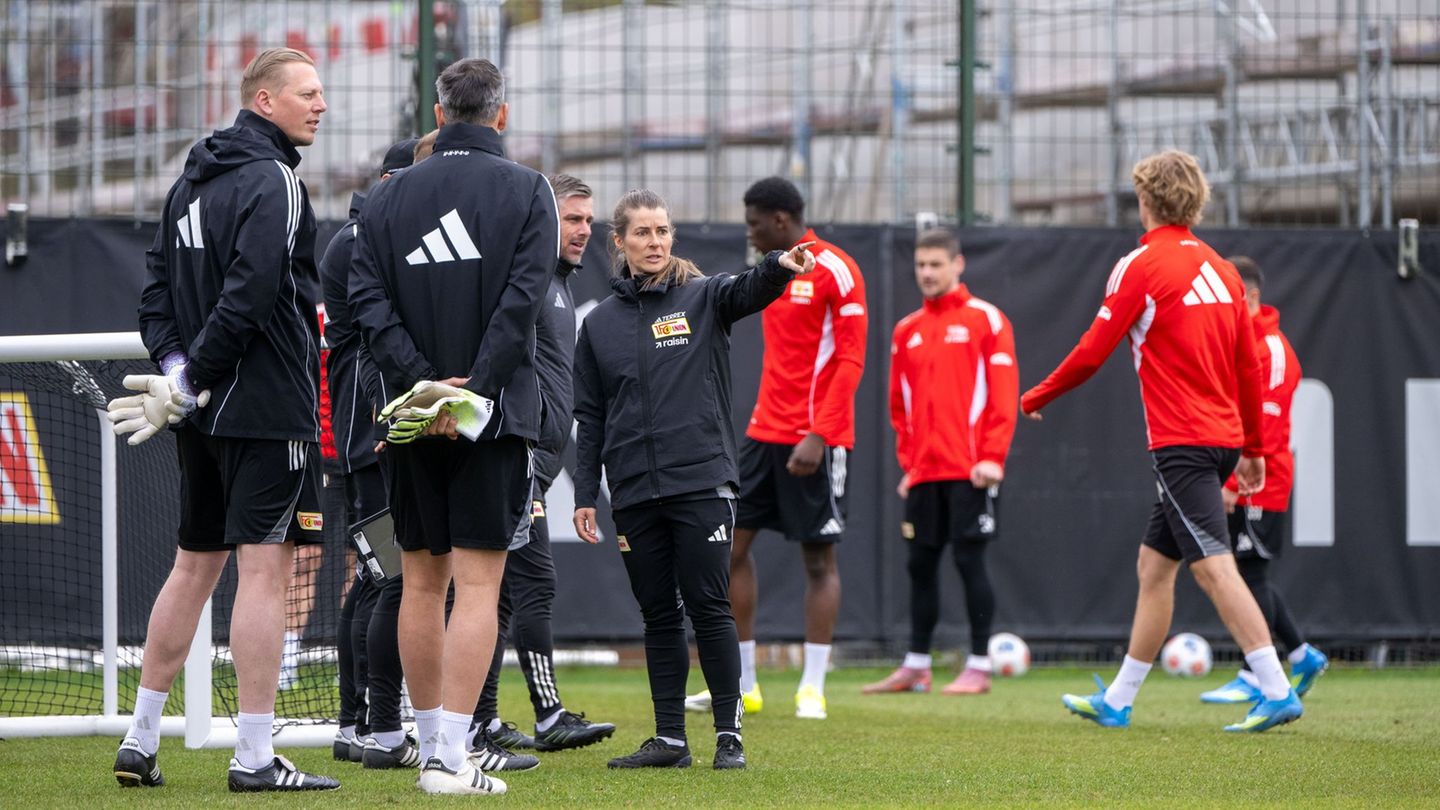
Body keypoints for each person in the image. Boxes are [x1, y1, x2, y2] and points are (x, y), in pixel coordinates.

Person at [111, 47, 340, 791]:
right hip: (267, 408)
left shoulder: (189, 183)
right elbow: (250, 295)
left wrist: (180, 378)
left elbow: (156, 300)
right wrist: (195, 377)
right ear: (264, 101)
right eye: (307, 93)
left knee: (193, 566)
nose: (321, 104)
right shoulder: (271, 179)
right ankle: (252, 756)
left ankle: (139, 742)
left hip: (202, 415)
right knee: (263, 575)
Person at [1021, 149, 1303, 733]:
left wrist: (1036, 396)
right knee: (1155, 567)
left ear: (1145, 199)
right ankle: (1120, 700)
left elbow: (1091, 353)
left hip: (1184, 445)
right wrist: (1252, 448)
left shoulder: (1140, 265)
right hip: (1221, 440)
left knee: (1214, 568)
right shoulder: (1225, 271)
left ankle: (1276, 687)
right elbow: (1249, 367)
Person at [348, 57, 556, 796]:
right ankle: (448, 758)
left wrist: (422, 388)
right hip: (491, 422)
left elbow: (366, 304)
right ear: (501, 114)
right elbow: (523, 302)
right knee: (476, 587)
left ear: (439, 115)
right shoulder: (530, 189)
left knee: (418, 582)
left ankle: (433, 742)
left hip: (411, 417)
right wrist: (471, 395)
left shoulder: (385, 199)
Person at [573, 189, 815, 770]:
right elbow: (591, 418)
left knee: (710, 606)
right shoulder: (599, 325)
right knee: (658, 614)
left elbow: (747, 289)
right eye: (642, 233)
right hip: (632, 492)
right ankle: (670, 741)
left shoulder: (704, 296)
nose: (654, 242)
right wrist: (585, 495)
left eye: (662, 231)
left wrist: (779, 267)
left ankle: (729, 738)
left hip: (702, 483)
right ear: (620, 243)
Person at [687, 176, 867, 722]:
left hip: (816, 438)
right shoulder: (772, 272)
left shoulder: (836, 268)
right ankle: (744, 684)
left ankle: (812, 687)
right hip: (763, 435)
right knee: (731, 552)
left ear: (781, 221)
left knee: (818, 559)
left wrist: (820, 432)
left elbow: (851, 360)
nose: (749, 232)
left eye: (754, 223)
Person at [471, 174, 616, 756]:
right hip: (516, 459)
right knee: (528, 584)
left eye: (588, 220)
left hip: (538, 462)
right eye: (571, 218)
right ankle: (539, 714)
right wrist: (520, 452)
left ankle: (481, 719)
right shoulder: (527, 282)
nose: (583, 230)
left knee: (500, 594)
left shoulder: (557, 286)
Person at [864, 228, 1018, 697]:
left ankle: (978, 666)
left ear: (958, 265)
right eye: (921, 265)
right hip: (924, 473)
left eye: (936, 264)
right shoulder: (906, 329)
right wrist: (910, 464)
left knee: (971, 564)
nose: (927, 273)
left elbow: (1003, 398)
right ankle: (916, 666)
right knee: (919, 566)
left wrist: (991, 457)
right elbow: (899, 404)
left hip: (971, 470)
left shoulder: (987, 320)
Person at [318, 138, 419, 768]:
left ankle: (357, 721)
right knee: (393, 580)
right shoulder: (362, 242)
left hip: (369, 434)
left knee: (378, 581)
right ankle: (377, 725)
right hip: (371, 437)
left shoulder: (362, 237)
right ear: (389, 181)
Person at [1199, 256, 1328, 704]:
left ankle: (1255, 673)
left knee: (1250, 574)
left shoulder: (1270, 349)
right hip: (1241, 479)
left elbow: (1265, 430)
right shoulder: (1238, 342)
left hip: (1261, 483)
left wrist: (1233, 485)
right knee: (1248, 572)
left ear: (1250, 297)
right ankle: (1300, 654)